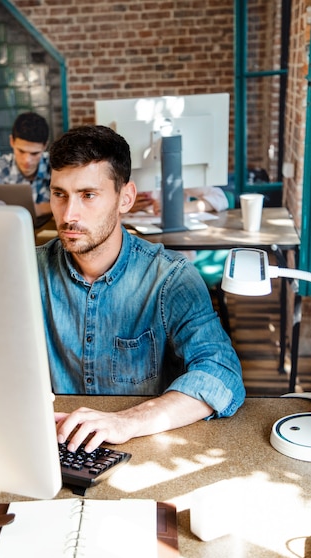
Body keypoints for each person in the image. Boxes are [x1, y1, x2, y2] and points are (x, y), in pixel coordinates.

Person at [36, 125, 245, 453]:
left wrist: (127, 421)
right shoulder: (27, 272)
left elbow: (221, 373)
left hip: (143, 447)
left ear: (126, 198)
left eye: (88, 195)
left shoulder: (170, 278)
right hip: (52, 446)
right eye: (59, 194)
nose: (68, 214)